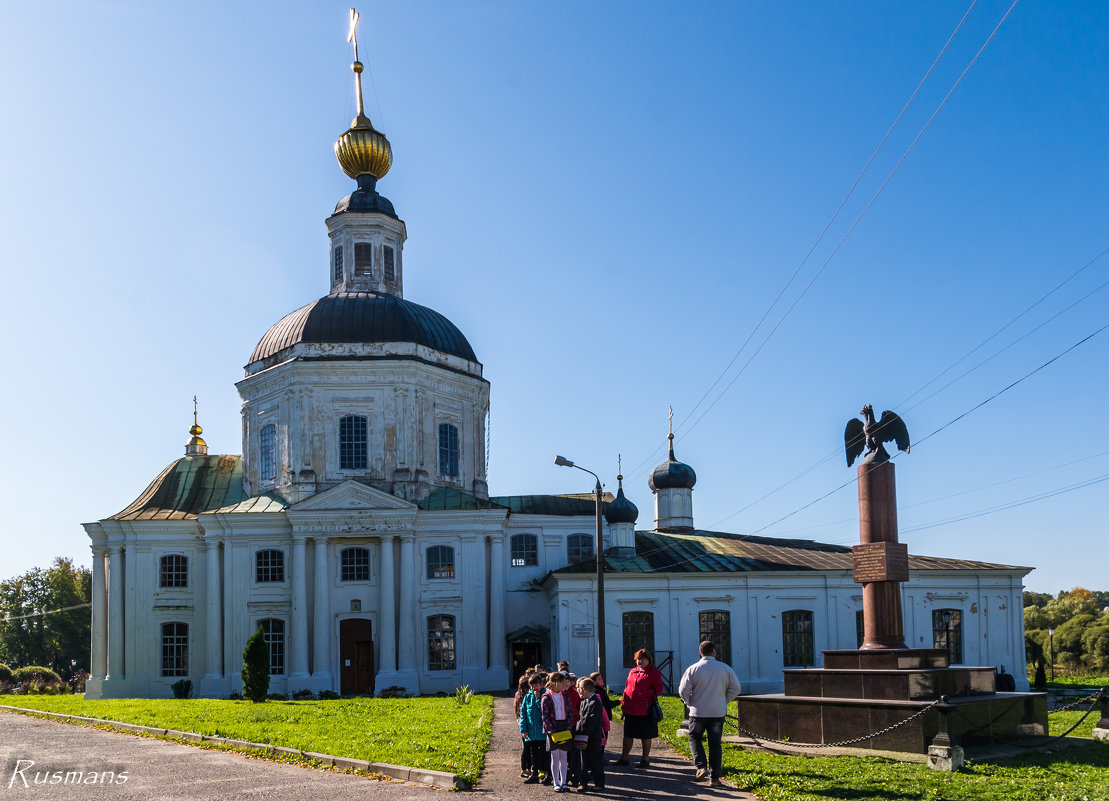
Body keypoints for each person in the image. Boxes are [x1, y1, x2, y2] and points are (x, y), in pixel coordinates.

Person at [678, 640, 741, 787]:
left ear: (700, 653)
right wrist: (724, 700)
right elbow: (736, 688)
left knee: (694, 737)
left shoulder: (693, 669)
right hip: (717, 712)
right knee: (715, 744)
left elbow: (683, 690)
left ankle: (701, 767)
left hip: (697, 712)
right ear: (714, 652)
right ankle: (714, 778)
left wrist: (689, 702)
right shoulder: (725, 668)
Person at [616, 648, 664, 768]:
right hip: (631, 709)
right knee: (628, 734)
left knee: (646, 736)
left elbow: (659, 689)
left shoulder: (654, 672)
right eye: (638, 659)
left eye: (643, 659)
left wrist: (645, 693)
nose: (640, 661)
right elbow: (627, 688)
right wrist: (624, 704)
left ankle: (645, 760)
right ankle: (624, 758)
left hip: (645, 710)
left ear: (648, 660)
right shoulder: (632, 671)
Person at [541, 671, 576, 791]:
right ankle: (556, 782)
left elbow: (570, 712)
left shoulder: (565, 695)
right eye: (562, 682)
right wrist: (552, 731)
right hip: (553, 729)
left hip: (564, 727)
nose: (564, 685)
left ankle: (564, 782)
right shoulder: (546, 697)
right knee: (555, 757)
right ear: (555, 683)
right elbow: (545, 717)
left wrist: (569, 727)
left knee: (564, 757)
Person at [574, 677, 606, 792]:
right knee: (583, 761)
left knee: (595, 761)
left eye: (579, 689)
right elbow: (580, 720)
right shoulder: (584, 702)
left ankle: (599, 783)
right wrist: (578, 732)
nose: (578, 691)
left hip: (593, 738)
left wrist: (584, 734)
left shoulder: (595, 703)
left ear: (584, 689)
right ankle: (583, 783)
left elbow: (593, 722)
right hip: (583, 736)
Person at [520, 673, 551, 785]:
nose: (535, 688)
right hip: (532, 731)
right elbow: (523, 713)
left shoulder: (545, 696)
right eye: (533, 686)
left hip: (543, 732)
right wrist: (523, 729)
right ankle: (534, 774)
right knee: (533, 754)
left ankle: (547, 774)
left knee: (545, 754)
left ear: (541, 685)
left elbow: (544, 711)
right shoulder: (527, 697)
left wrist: (538, 699)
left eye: (537, 685)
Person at [515, 674, 533, 777]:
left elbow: (516, 710)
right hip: (527, 723)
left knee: (525, 747)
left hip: (522, 722)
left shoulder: (518, 695)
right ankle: (527, 768)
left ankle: (525, 768)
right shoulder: (525, 696)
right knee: (527, 748)